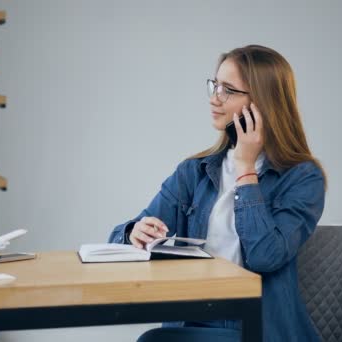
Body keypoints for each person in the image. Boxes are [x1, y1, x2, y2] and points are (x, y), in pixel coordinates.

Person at [108, 44, 327, 342]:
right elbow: (119, 237)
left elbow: (265, 256)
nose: (214, 98)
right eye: (214, 85)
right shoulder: (194, 171)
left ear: (262, 102)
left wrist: (246, 169)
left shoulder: (302, 177)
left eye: (228, 90)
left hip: (256, 328)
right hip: (193, 321)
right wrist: (135, 232)